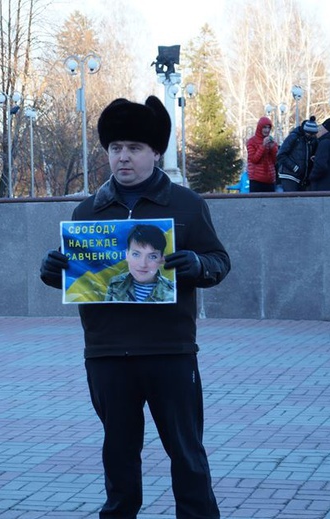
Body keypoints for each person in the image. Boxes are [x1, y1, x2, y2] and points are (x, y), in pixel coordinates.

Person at [39, 95, 230, 518]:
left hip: (170, 352)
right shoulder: (88, 212)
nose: (123, 158)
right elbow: (74, 277)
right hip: (108, 354)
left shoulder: (185, 205)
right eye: (115, 148)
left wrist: (198, 263)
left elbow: (220, 262)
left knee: (187, 455)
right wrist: (53, 269)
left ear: (155, 152)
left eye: (135, 148)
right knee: (119, 458)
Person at [105, 224, 175, 303]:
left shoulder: (173, 291)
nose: (143, 264)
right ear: (127, 255)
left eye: (152, 256)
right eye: (136, 254)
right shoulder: (115, 284)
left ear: (162, 259)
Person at [276, 116, 319, 192]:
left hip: (301, 177)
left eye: (313, 134)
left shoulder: (312, 141)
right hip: (289, 175)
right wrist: (295, 168)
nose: (311, 136)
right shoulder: (294, 137)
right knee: (292, 200)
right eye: (309, 134)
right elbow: (281, 155)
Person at [246, 116, 278, 192]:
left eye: (269, 128)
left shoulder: (272, 142)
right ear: (259, 128)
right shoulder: (251, 142)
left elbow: (275, 161)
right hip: (256, 181)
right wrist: (263, 146)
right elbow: (254, 159)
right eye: (264, 127)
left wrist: (273, 148)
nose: (267, 130)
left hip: (270, 180)